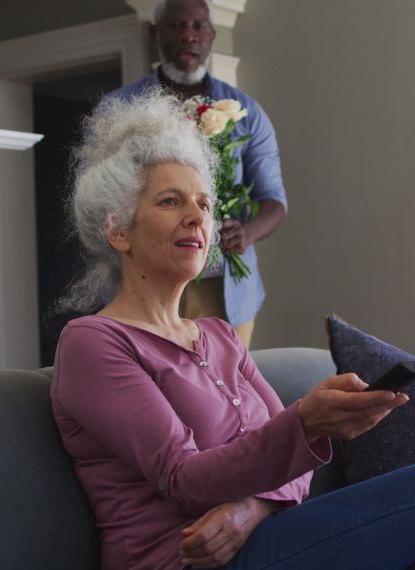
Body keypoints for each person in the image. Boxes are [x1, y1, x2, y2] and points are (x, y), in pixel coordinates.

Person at [51, 91, 415, 570]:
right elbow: (185, 478)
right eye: (170, 201)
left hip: (269, 540)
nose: (196, 217)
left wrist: (255, 508)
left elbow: (299, 469)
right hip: (184, 561)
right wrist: (307, 422)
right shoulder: (94, 343)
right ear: (118, 230)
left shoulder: (219, 337)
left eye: (204, 203)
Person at [101, 0, 286, 348]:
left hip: (226, 289)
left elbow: (274, 199)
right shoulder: (118, 110)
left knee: (225, 390)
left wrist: (246, 232)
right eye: (176, 26)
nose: (188, 35)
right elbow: (100, 196)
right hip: (144, 282)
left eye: (198, 26)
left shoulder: (247, 112)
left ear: (212, 35)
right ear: (156, 33)